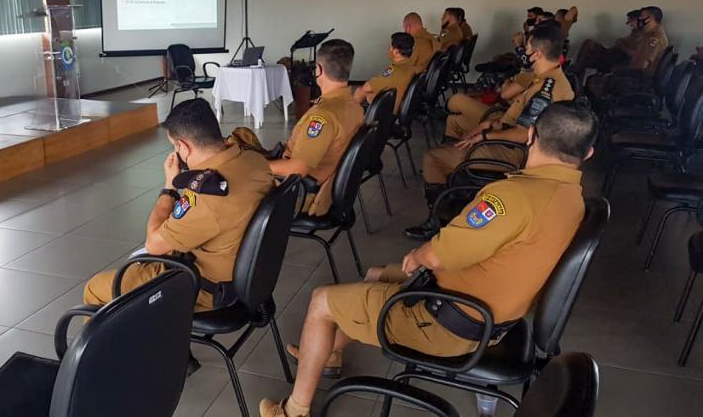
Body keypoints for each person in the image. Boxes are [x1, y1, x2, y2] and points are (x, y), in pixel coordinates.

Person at [258, 102, 598, 417]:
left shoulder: (514, 198)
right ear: (588, 153)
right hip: (490, 313)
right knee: (376, 273)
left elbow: (438, 254)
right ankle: (330, 352)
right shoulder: (574, 200)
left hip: (447, 321)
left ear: (530, 134)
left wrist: (419, 255)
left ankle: (294, 410)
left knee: (321, 302)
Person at [83, 98, 274, 312]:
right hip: (252, 276)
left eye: (175, 146)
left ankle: (133, 332)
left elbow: (154, 244)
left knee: (95, 287)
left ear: (183, 147)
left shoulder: (207, 196)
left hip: (204, 287)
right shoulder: (254, 161)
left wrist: (169, 188)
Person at [410, 24, 574, 237]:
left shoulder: (545, 89)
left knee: (433, 158)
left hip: (515, 152)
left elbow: (522, 134)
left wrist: (485, 136)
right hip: (515, 143)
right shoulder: (549, 80)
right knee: (456, 133)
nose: (524, 52)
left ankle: (437, 223)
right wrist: (490, 124)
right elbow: (518, 120)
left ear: (537, 54)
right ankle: (456, 183)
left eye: (527, 48)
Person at [231, 40, 363, 217]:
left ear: (318, 70)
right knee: (240, 139)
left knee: (230, 184)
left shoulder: (322, 117)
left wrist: (255, 166)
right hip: (322, 186)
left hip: (300, 193)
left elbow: (296, 169)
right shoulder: (354, 106)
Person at [353, 32, 415, 114]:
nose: (388, 49)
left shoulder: (395, 70)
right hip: (400, 100)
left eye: (390, 47)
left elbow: (366, 87)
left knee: (360, 91)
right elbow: (384, 74)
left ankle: (350, 115)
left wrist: (373, 82)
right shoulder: (408, 64)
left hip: (390, 108)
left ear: (396, 52)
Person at [573, 9, 642, 74]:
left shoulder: (642, 35)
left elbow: (633, 53)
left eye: (631, 21)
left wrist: (622, 45)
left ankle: (576, 69)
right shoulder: (633, 33)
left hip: (615, 59)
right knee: (589, 43)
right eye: (628, 22)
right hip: (611, 53)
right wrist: (620, 42)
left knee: (589, 51)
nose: (629, 24)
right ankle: (576, 68)